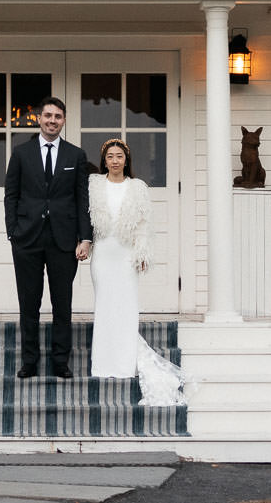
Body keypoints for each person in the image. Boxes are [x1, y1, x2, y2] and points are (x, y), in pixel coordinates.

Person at [87, 138, 187, 405]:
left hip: (126, 254)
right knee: (105, 307)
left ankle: (123, 364)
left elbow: (144, 223)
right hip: (103, 254)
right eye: (110, 156)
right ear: (104, 160)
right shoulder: (94, 185)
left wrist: (142, 252)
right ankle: (104, 364)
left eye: (119, 156)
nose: (115, 160)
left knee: (126, 307)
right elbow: (86, 219)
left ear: (126, 159)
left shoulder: (137, 187)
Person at [2, 95, 92, 379]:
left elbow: (82, 199)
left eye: (58, 117)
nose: (53, 121)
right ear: (39, 118)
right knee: (29, 302)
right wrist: (13, 232)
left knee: (62, 303)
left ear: (63, 121)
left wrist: (85, 238)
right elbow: (11, 195)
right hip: (27, 239)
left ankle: (60, 362)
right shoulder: (20, 153)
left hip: (63, 240)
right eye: (48, 116)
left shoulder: (75, 155)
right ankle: (29, 360)